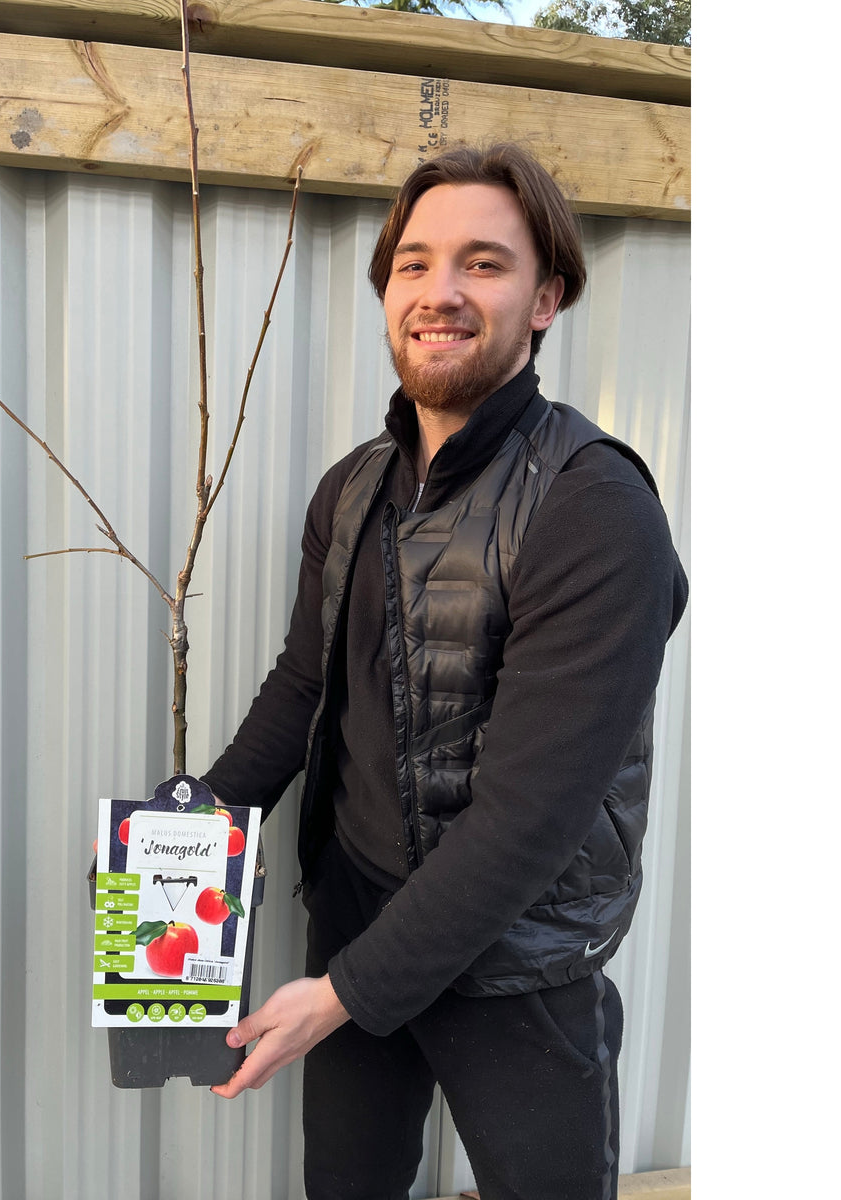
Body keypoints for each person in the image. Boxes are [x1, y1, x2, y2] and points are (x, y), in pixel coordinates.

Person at [199, 143, 689, 1200]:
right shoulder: (354, 487)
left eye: (484, 263)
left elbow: (531, 817)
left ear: (546, 296)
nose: (442, 292)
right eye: (415, 264)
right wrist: (191, 821)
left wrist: (342, 993)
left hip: (519, 960)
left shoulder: (595, 508)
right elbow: (304, 683)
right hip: (361, 910)